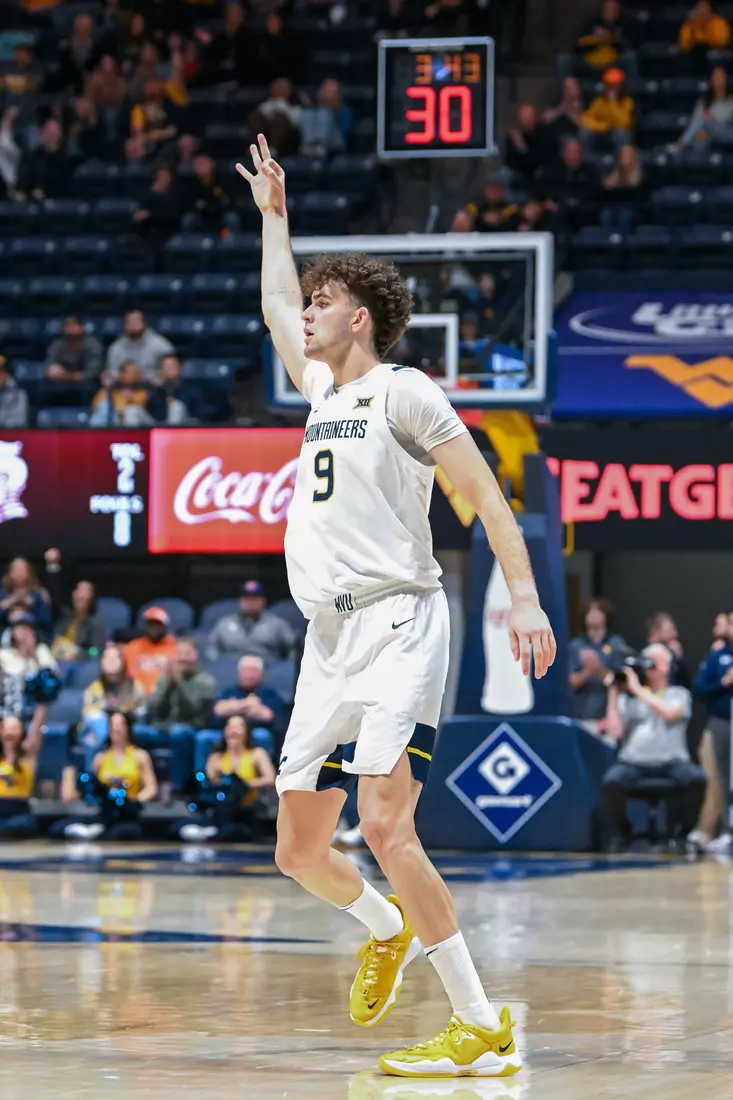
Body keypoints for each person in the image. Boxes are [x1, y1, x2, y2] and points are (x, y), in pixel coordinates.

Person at [236, 133, 555, 1078]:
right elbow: (271, 301)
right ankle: (383, 928)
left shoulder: (406, 393)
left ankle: (480, 1024)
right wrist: (275, 221)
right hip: (327, 636)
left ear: (363, 318)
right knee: (297, 849)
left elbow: (489, 499)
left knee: (384, 824)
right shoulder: (321, 387)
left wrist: (526, 600)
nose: (309, 315)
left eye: (325, 302)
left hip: (401, 620)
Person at [602, 645, 706, 851]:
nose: (651, 666)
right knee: (611, 782)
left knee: (697, 779)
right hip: (634, 762)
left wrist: (638, 690)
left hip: (672, 761)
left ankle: (682, 833)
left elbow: (670, 713)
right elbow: (615, 730)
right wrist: (613, 694)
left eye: (656, 661)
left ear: (667, 666)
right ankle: (624, 833)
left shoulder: (678, 693)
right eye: (648, 661)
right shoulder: (630, 697)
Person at [54, 711, 158, 841]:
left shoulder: (140, 756)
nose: (116, 729)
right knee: (60, 828)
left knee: (122, 832)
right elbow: (93, 787)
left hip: (128, 809)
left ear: (128, 728)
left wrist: (136, 801)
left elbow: (151, 788)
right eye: (113, 725)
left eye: (120, 725)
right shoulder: (100, 758)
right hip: (106, 809)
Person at [176, 714, 277, 843]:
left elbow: (270, 778)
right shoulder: (216, 757)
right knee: (180, 826)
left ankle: (214, 833)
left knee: (234, 832)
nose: (233, 730)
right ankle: (210, 831)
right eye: (230, 727)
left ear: (246, 731)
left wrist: (246, 784)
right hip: (221, 808)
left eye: (238, 727)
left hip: (245, 809)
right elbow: (209, 783)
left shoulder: (256, 754)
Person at [141, 637, 216, 791]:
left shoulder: (205, 681)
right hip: (163, 728)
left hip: (191, 728)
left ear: (195, 655)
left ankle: (177, 786)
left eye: (186, 653)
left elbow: (192, 710)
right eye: (179, 653)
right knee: (136, 731)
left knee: (178, 732)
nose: (182, 658)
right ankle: (143, 783)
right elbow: (156, 711)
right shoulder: (164, 679)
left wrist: (178, 684)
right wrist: (168, 686)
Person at [692, 612, 733, 853]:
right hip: (723, 722)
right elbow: (700, 688)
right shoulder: (718, 657)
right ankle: (728, 831)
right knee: (723, 778)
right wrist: (724, 683)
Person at [197, 653, 284, 768]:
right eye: (245, 670)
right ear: (239, 673)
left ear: (261, 674)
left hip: (253, 732)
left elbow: (267, 715)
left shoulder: (268, 693)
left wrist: (233, 706)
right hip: (225, 732)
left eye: (253, 671)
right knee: (204, 737)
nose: (248, 675)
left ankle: (261, 779)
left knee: (262, 736)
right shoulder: (229, 691)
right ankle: (202, 780)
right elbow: (218, 710)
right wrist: (247, 704)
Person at [79, 644, 146, 770]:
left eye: (115, 658)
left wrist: (126, 714)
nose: (110, 661)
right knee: (94, 735)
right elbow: (88, 714)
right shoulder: (94, 688)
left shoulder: (134, 686)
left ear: (123, 662)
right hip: (98, 730)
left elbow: (142, 710)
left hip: (127, 726)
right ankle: (93, 778)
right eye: (106, 658)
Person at [568, 598, 630, 728]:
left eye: (598, 612)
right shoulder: (575, 646)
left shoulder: (617, 644)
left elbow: (624, 683)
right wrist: (588, 671)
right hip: (580, 715)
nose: (594, 616)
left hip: (608, 716)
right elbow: (569, 683)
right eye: (590, 612)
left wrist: (599, 668)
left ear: (606, 616)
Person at [206, 580, 296, 665]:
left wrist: (282, 670)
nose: (251, 602)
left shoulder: (277, 624)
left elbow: (293, 650)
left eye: (255, 598)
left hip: (268, 671)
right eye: (247, 598)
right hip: (231, 671)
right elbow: (211, 650)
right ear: (240, 601)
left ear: (263, 601)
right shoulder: (224, 624)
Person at [0, 709, 47, 838]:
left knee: (22, 825)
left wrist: (42, 706)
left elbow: (36, 732)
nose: (10, 732)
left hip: (18, 811)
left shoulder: (27, 756)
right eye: (6, 728)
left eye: (15, 728)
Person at [538, 138, 600, 228]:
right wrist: (547, 201)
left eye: (576, 152)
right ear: (563, 154)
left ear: (581, 154)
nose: (573, 156)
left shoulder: (591, 171)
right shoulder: (552, 171)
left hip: (582, 210)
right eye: (569, 152)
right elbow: (543, 188)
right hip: (556, 207)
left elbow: (595, 191)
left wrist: (573, 201)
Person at [106, 309, 174, 382]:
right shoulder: (116, 347)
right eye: (130, 321)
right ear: (124, 325)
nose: (133, 324)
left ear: (144, 323)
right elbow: (112, 374)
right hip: (124, 389)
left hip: (154, 388)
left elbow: (171, 372)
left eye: (136, 321)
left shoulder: (160, 345)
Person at [675, 65, 733, 150]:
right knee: (700, 140)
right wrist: (702, 131)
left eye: (722, 76)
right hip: (711, 132)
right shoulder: (704, 100)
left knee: (702, 119)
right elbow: (695, 119)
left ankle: (680, 144)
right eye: (716, 76)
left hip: (729, 132)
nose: (720, 80)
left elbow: (724, 119)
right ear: (711, 79)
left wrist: (709, 121)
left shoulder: (730, 99)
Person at [123, 607, 177, 696]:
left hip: (165, 696)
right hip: (136, 696)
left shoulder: (175, 647)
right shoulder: (132, 647)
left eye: (157, 624)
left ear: (164, 626)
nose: (154, 628)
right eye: (151, 624)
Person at [180, 153, 239, 234]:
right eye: (198, 164)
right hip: (201, 214)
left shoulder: (223, 179)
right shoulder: (191, 182)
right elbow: (189, 203)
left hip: (221, 212)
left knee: (232, 218)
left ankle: (232, 244)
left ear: (211, 164)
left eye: (203, 163)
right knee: (187, 219)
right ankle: (188, 244)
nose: (201, 167)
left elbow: (230, 201)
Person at [580, 67, 635, 152]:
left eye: (615, 86)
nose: (612, 89)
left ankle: (622, 161)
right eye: (610, 86)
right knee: (585, 134)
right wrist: (604, 126)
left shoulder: (627, 102)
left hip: (617, 134)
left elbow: (624, 123)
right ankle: (587, 159)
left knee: (621, 133)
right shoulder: (599, 101)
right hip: (601, 132)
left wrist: (612, 103)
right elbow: (585, 120)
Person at [52, 580, 107, 664]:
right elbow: (55, 637)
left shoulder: (95, 624)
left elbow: (96, 650)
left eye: (85, 593)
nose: (81, 596)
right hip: (56, 655)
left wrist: (78, 654)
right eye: (79, 591)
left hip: (76, 663)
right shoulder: (65, 617)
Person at [16, 118, 70, 199]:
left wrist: (45, 191)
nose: (44, 133)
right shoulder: (32, 157)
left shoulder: (66, 159)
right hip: (30, 201)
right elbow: (23, 181)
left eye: (48, 131)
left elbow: (65, 185)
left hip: (57, 201)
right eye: (44, 130)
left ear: (58, 134)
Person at [90, 359, 154, 427]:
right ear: (122, 373)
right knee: (104, 407)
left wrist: (130, 398)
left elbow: (141, 404)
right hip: (117, 422)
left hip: (146, 424)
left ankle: (131, 437)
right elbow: (95, 407)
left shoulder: (145, 386)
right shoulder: (111, 388)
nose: (136, 373)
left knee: (131, 410)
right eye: (131, 371)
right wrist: (108, 392)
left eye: (137, 371)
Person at [249, 78, 302, 158]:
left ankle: (273, 149)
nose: (279, 90)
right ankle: (256, 148)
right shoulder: (265, 104)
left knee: (279, 118)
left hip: (287, 140)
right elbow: (261, 112)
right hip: (267, 132)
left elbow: (296, 121)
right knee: (257, 117)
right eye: (277, 88)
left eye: (283, 88)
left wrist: (281, 108)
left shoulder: (295, 106)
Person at [600, 143, 646, 235]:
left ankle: (625, 245)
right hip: (614, 207)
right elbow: (605, 194)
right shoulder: (613, 172)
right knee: (605, 215)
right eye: (623, 154)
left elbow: (640, 196)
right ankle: (607, 243)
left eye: (628, 154)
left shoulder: (641, 174)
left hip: (634, 208)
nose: (625, 157)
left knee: (624, 216)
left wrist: (619, 186)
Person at [0, 559, 52, 638]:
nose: (19, 573)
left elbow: (45, 621)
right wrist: (12, 601)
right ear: (9, 574)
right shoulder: (2, 596)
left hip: (34, 638)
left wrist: (28, 613)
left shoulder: (38, 596)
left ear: (29, 573)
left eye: (22, 569)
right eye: (15, 570)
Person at [131, 162, 182, 244]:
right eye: (160, 176)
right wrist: (153, 193)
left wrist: (151, 214)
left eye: (165, 176)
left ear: (170, 177)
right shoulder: (150, 191)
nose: (162, 179)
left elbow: (173, 212)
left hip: (169, 227)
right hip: (150, 227)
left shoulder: (176, 192)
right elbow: (143, 207)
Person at [300, 79, 353, 157]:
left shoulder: (344, 110)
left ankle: (319, 144)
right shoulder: (315, 110)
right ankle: (309, 145)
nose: (329, 95)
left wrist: (334, 111)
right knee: (308, 113)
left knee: (324, 113)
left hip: (336, 142)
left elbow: (344, 130)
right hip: (312, 146)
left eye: (332, 91)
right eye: (326, 91)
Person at [44, 316, 104, 383]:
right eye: (67, 325)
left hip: (88, 386)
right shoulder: (57, 345)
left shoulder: (93, 344)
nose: (70, 327)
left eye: (74, 324)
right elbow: (48, 369)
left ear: (82, 327)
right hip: (60, 386)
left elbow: (94, 372)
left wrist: (71, 376)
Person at [504, 104, 555, 179]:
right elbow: (509, 161)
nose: (527, 120)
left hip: (538, 173)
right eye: (524, 117)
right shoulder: (514, 135)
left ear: (536, 117)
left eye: (530, 116)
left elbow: (538, 161)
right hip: (517, 173)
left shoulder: (545, 133)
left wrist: (523, 148)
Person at [147, 353, 200, 424]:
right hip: (158, 425)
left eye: (173, 366)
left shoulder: (190, 388)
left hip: (184, 427)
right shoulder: (155, 389)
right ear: (160, 370)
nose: (170, 369)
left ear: (179, 368)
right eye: (166, 367)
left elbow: (199, 414)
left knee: (176, 406)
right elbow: (153, 413)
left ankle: (169, 433)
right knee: (133, 411)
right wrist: (159, 389)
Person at [645, 612, 689, 688]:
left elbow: (684, 683)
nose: (675, 634)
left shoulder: (673, 653)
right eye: (670, 630)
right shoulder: (647, 654)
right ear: (656, 631)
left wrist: (679, 659)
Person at [0, 355, 29, 428]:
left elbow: (19, 422)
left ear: (6, 373)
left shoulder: (19, 394)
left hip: (10, 436)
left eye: (0, 372)